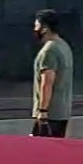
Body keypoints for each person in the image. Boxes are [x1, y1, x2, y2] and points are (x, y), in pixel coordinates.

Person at [31, 9, 73, 138]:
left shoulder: (49, 51)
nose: (34, 29)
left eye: (36, 25)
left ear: (45, 28)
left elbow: (47, 82)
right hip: (62, 111)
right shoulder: (63, 46)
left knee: (40, 151)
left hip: (50, 114)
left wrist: (42, 111)